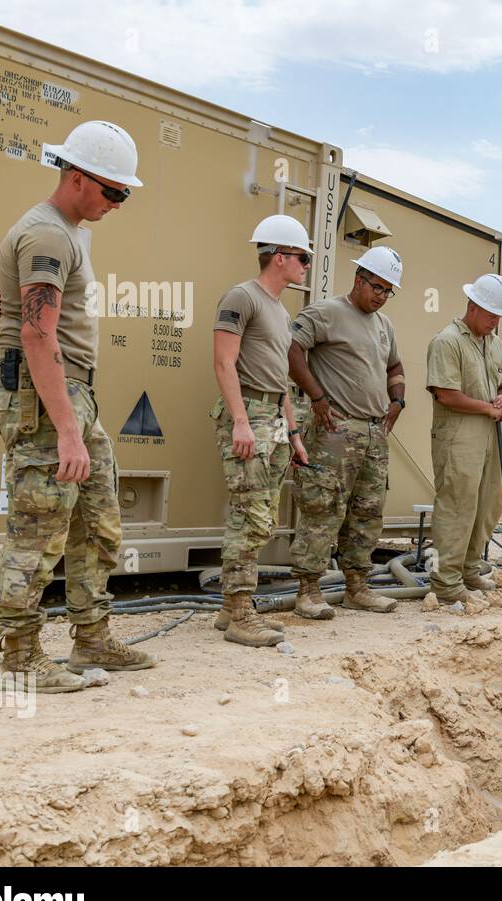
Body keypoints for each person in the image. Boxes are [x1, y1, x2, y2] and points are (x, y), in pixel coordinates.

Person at [0, 121, 155, 693]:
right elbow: (37, 336)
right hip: (44, 399)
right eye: (113, 192)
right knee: (39, 530)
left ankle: (90, 639)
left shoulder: (72, 231)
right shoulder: (48, 235)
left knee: (97, 520)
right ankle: (17, 657)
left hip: (73, 394)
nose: (118, 203)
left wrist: (77, 419)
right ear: (78, 177)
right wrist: (66, 429)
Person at [286, 247, 406, 618]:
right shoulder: (327, 313)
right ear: (359, 279)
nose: (382, 296)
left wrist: (398, 401)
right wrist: (317, 397)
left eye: (389, 291)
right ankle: (309, 590)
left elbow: (395, 366)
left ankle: (358, 587)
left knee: (367, 514)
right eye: (378, 287)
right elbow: (291, 349)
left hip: (373, 434)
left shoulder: (384, 326)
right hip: (335, 431)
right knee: (323, 509)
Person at [210, 215, 310, 647]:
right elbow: (223, 362)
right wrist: (240, 421)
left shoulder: (279, 308)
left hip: (271, 416)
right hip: (249, 413)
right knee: (249, 518)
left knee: (261, 517)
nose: (306, 264)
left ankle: (231, 609)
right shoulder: (241, 297)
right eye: (302, 257)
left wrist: (293, 432)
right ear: (281, 256)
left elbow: (280, 377)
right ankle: (241, 613)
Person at [425, 274, 502, 604]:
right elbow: (445, 394)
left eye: (499, 316)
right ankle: (446, 581)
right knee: (457, 504)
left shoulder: (494, 343)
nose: (496, 321)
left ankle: (469, 567)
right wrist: (487, 409)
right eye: (492, 315)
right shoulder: (447, 341)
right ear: (473, 307)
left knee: (489, 502)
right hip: (459, 435)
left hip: (491, 434)